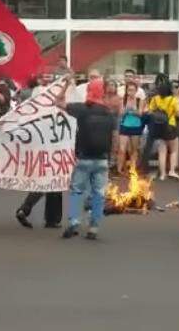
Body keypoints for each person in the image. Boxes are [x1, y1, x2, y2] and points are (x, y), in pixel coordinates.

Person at [58, 78, 115, 240]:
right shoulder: (108, 113)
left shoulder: (82, 109)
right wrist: (112, 157)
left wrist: (66, 85)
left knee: (76, 191)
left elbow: (58, 102)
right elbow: (114, 137)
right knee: (98, 194)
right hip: (102, 159)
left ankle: (74, 222)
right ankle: (94, 227)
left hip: (83, 157)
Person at [15, 72, 62, 229]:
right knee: (51, 180)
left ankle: (47, 217)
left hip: (45, 143)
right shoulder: (40, 94)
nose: (48, 80)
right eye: (45, 77)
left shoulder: (37, 96)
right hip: (50, 144)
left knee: (50, 181)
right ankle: (42, 215)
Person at [147, 79, 179, 180]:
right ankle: (172, 171)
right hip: (170, 126)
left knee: (162, 151)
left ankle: (162, 174)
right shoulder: (173, 100)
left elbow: (150, 111)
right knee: (174, 150)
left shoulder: (155, 99)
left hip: (158, 127)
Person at [117, 80, 145, 174]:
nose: (131, 92)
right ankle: (119, 169)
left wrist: (133, 110)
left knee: (134, 149)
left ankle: (132, 169)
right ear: (126, 90)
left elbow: (140, 114)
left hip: (136, 126)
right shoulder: (123, 99)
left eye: (133, 90)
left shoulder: (139, 100)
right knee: (122, 149)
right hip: (125, 125)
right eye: (129, 90)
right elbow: (120, 113)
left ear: (136, 91)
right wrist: (126, 110)